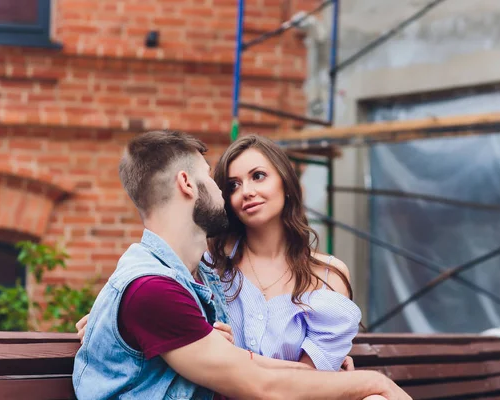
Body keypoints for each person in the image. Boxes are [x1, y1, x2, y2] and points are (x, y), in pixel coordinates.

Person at [73, 130, 410, 399]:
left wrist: (336, 379)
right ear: (188, 184)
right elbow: (257, 384)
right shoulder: (195, 273)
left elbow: (253, 372)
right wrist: (369, 383)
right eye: (226, 184)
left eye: (258, 176)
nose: (238, 193)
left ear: (286, 183)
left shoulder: (182, 275)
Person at [206, 134, 361, 372]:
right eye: (233, 185)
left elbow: (310, 378)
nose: (246, 191)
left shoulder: (328, 275)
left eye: (258, 176)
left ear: (286, 184)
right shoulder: (212, 269)